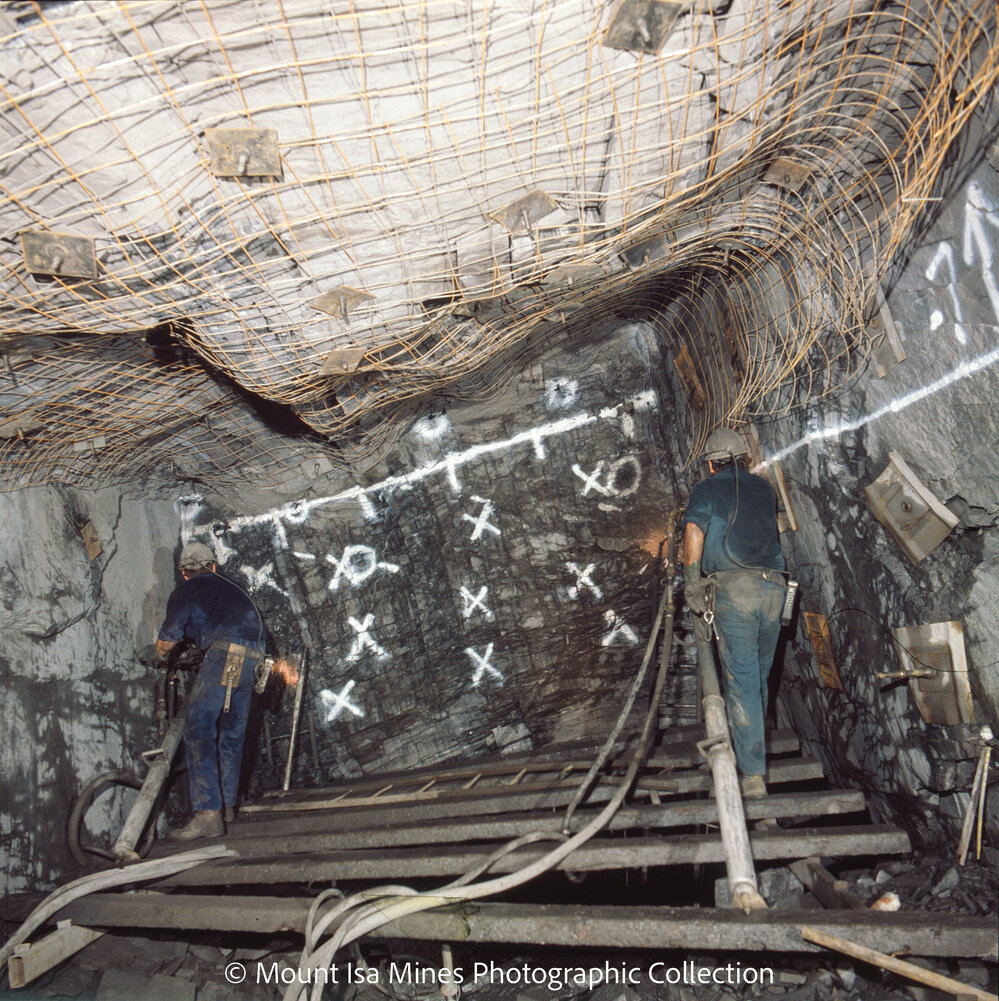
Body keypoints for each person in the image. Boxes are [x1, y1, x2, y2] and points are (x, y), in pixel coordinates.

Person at [682, 427, 785, 799]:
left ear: (712, 464)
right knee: (757, 678)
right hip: (775, 589)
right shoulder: (765, 489)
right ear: (743, 457)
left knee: (741, 682)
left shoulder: (708, 488)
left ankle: (752, 776)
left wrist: (692, 582)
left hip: (736, 591)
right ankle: (749, 754)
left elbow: (694, 529)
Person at [154, 540, 267, 840]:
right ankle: (227, 807)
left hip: (225, 655)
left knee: (198, 729)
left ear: (184, 572)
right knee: (232, 733)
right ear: (213, 566)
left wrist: (158, 650)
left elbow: (165, 644)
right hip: (255, 659)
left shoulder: (185, 591)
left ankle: (207, 814)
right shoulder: (235, 588)